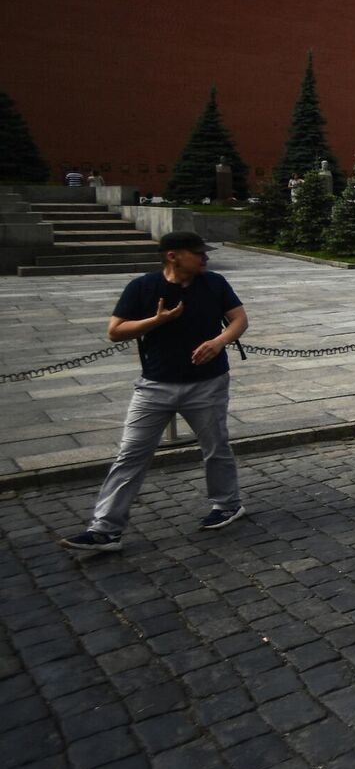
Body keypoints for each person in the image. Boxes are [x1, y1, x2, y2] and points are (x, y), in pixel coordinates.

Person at [60, 232, 249, 554]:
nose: (204, 258)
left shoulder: (214, 283)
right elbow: (115, 331)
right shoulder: (143, 287)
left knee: (215, 446)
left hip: (208, 383)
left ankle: (227, 504)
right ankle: (105, 529)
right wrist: (156, 320)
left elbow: (239, 319)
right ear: (173, 256)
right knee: (130, 454)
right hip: (154, 386)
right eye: (197, 253)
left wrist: (219, 342)